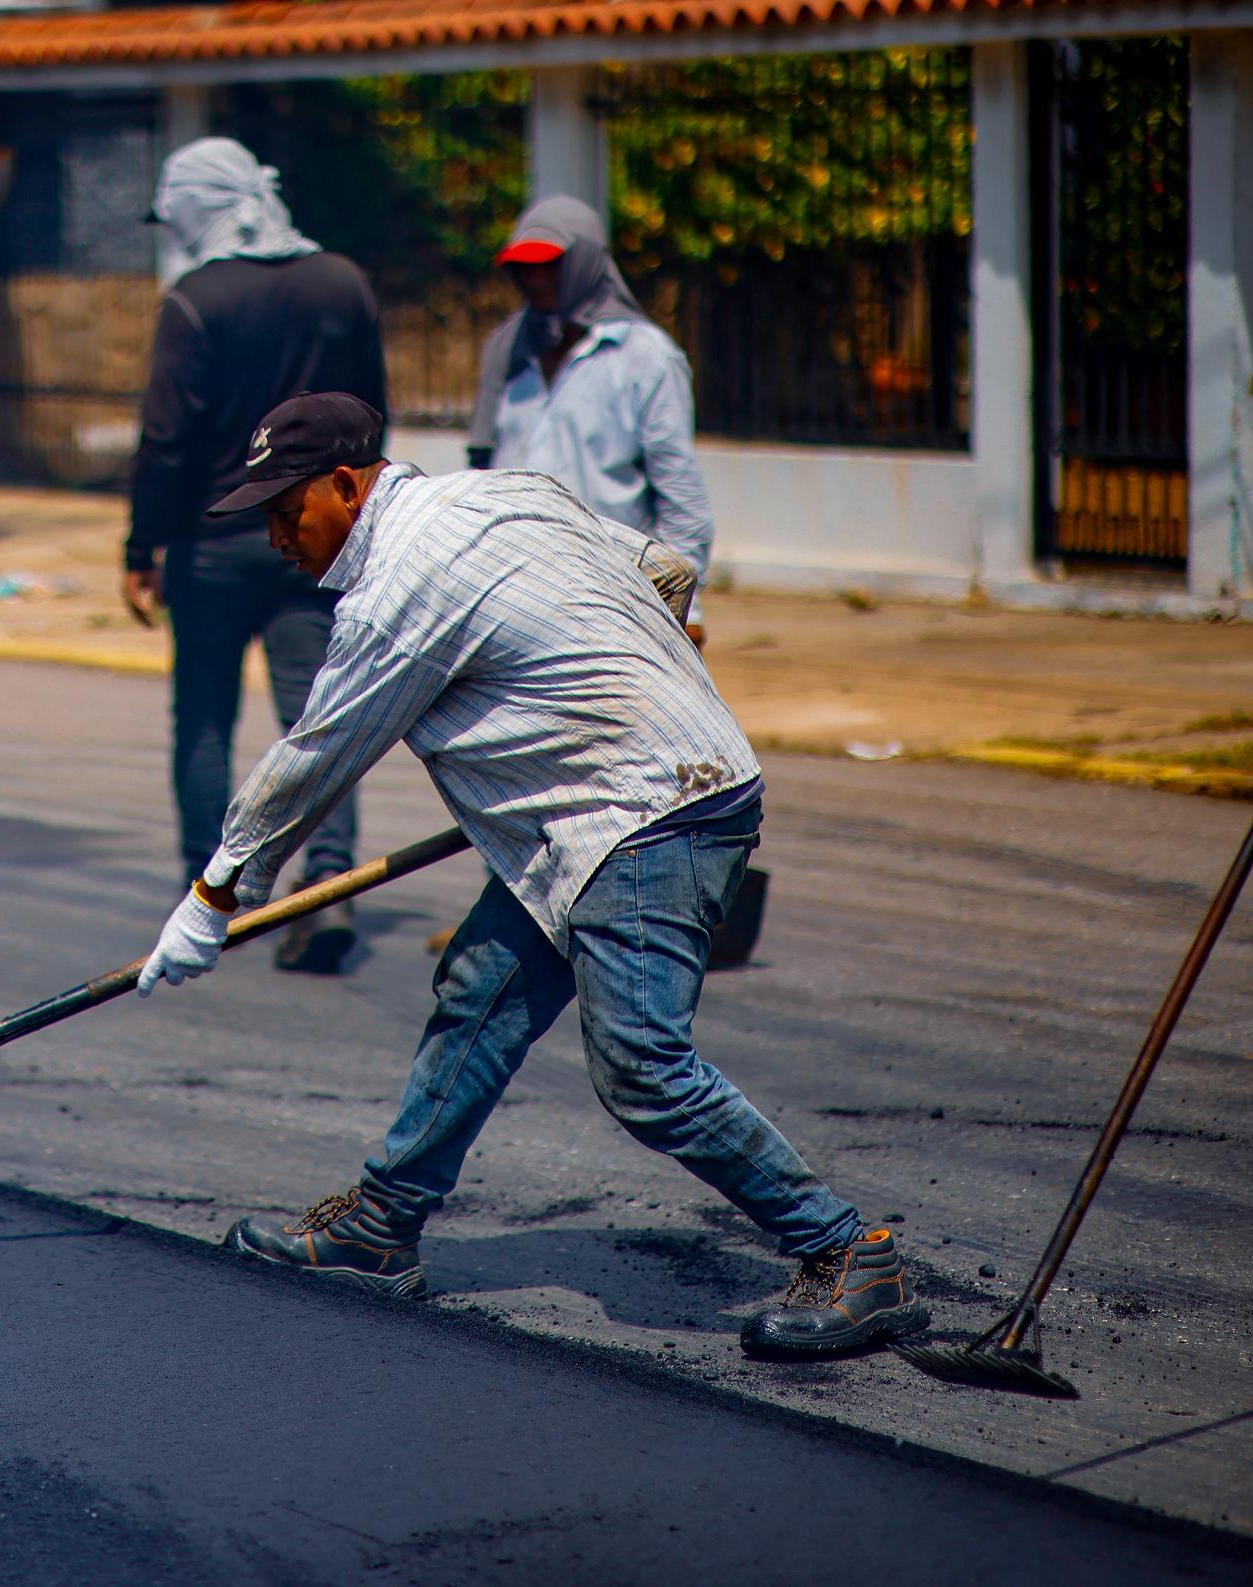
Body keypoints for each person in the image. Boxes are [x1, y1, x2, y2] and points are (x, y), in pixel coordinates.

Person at [137, 392, 925, 1361]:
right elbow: (664, 569)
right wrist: (620, 674)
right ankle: (380, 1226)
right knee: (478, 996)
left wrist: (217, 893)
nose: (274, 538)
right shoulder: (503, 495)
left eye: (281, 511)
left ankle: (850, 1250)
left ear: (344, 485)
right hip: (586, 815)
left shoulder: (398, 586)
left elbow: (316, 753)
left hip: (648, 815)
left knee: (642, 1067)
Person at [125, 138, 389, 974]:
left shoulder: (195, 299)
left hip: (211, 539)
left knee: (202, 717)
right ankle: (329, 885)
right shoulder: (342, 282)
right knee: (319, 717)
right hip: (315, 537)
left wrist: (142, 544)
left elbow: (165, 440)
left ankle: (217, 892)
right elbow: (374, 409)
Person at [467, 195, 715, 643]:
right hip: (514, 592)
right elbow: (482, 470)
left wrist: (686, 606)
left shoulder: (643, 356)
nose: (534, 279)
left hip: (614, 595)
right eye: (523, 267)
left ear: (584, 263)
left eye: (550, 264)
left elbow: (679, 494)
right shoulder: (507, 351)